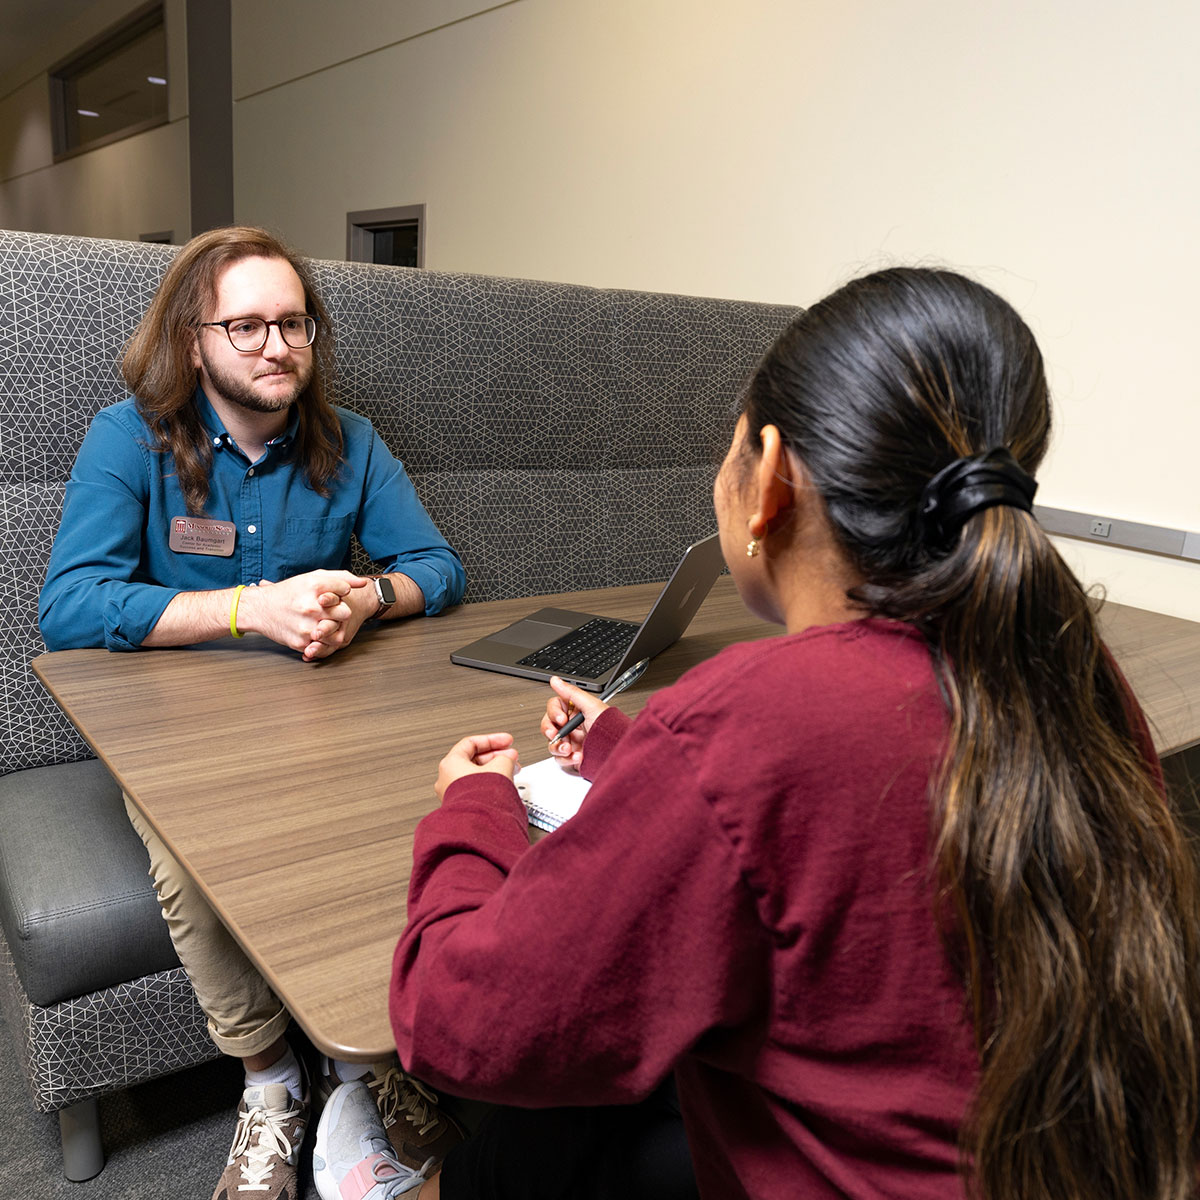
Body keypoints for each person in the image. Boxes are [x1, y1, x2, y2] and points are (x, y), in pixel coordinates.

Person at [352, 267, 1198, 1199]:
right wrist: (642, 757)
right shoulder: (1068, 663)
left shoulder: (751, 720)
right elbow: (845, 821)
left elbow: (458, 1020)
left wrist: (476, 811)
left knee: (534, 1128)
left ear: (772, 477)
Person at [38, 226, 468, 1200]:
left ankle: (363, 1060)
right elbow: (67, 607)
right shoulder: (130, 438)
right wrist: (245, 609)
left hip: (329, 715)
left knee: (420, 809)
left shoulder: (352, 441)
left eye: (294, 323)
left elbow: (438, 570)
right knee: (194, 868)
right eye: (247, 326)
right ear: (195, 341)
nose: (278, 346)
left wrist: (369, 598)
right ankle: (269, 1078)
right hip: (178, 734)